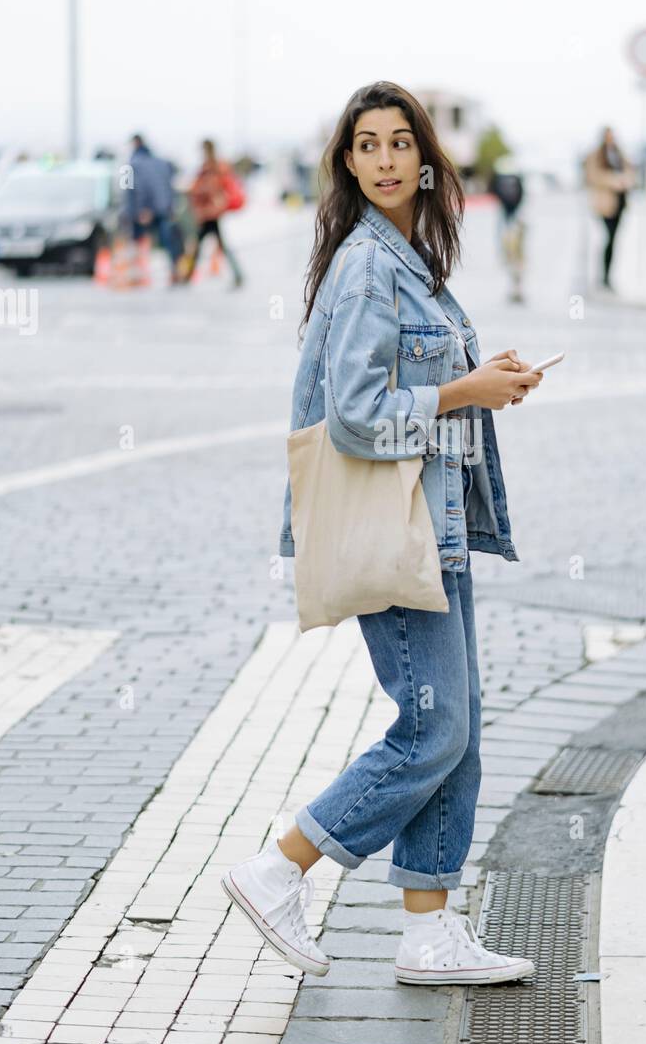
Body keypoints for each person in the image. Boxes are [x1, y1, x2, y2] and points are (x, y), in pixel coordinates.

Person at [222, 80, 544, 986]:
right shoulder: (368, 267)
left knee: (458, 730)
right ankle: (280, 866)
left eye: (401, 143)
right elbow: (359, 416)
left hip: (432, 524)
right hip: (395, 531)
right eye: (367, 145)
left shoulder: (407, 259)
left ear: (428, 161)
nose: (387, 160)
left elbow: (413, 384)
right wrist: (461, 394)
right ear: (348, 163)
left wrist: (487, 378)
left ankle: (427, 935)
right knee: (432, 732)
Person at [184, 139, 245, 289]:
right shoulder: (214, 166)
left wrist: (194, 190)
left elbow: (208, 188)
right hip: (211, 213)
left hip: (210, 213)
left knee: (205, 245)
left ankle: (187, 276)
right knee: (211, 245)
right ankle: (187, 276)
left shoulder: (211, 167)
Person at [122, 135, 182, 283]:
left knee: (136, 241)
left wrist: (142, 209)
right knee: (167, 242)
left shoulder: (129, 165)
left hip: (142, 210)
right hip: (163, 208)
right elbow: (170, 187)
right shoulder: (162, 163)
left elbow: (130, 190)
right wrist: (170, 207)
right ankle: (174, 271)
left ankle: (135, 275)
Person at [584, 126, 635, 289]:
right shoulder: (596, 156)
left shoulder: (620, 154)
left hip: (620, 202)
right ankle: (604, 275)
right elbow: (592, 176)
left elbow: (630, 171)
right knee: (609, 237)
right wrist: (613, 181)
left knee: (614, 240)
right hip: (605, 203)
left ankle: (608, 275)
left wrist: (625, 180)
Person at [488, 157, 526, 303]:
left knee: (510, 252)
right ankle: (516, 283)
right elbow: (522, 196)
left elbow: (493, 191)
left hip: (507, 219)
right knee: (516, 254)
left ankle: (515, 282)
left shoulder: (499, 179)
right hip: (514, 219)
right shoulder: (517, 179)